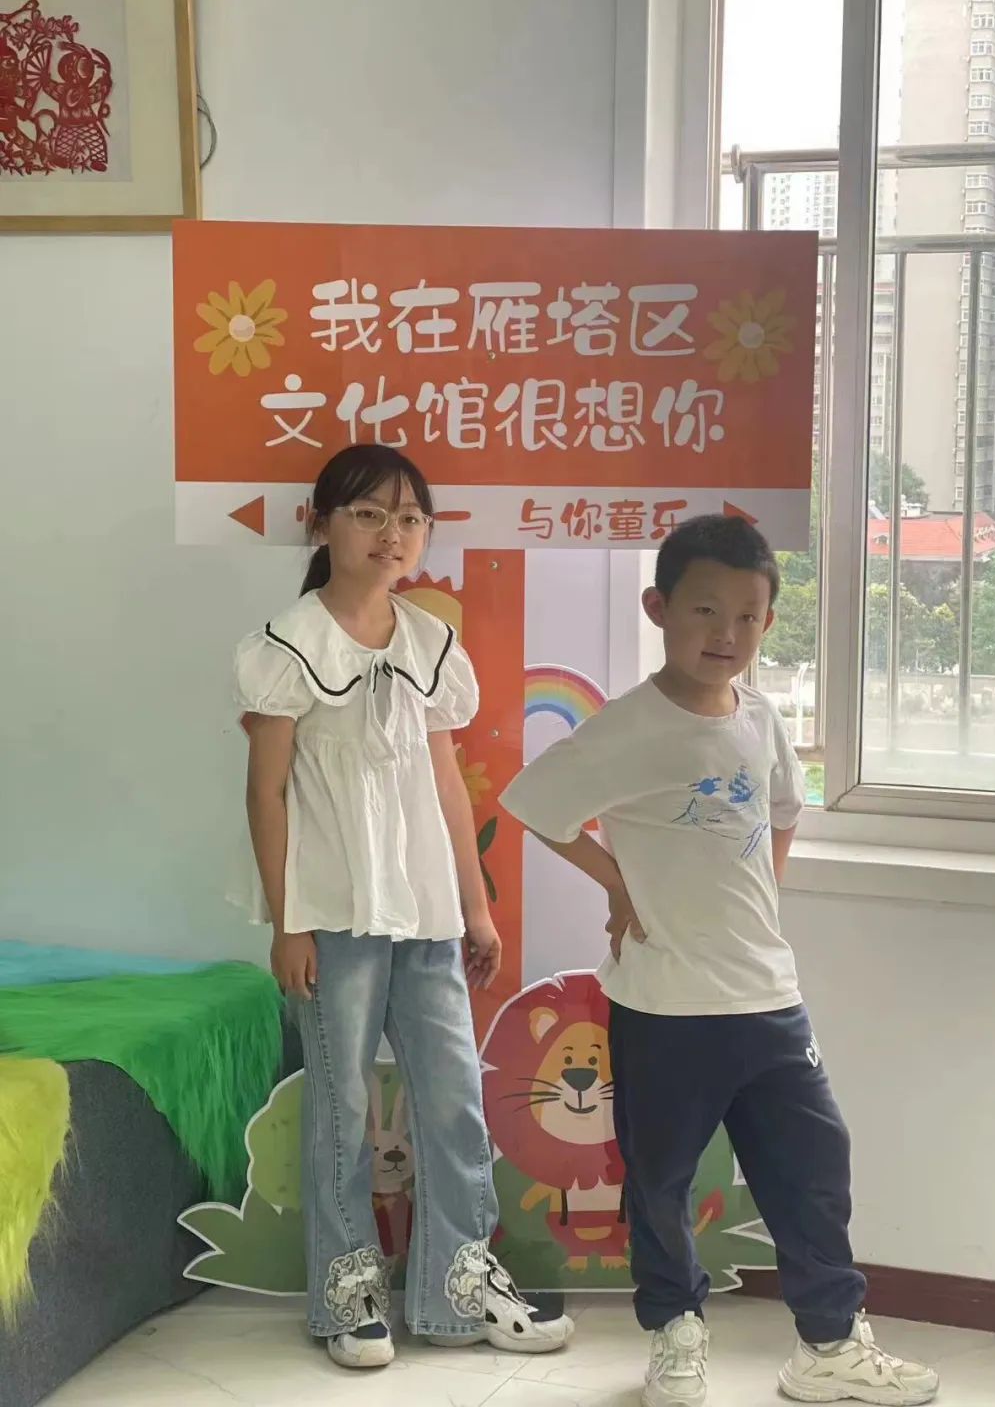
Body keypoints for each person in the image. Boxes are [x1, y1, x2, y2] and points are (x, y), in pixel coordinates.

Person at [500, 516, 939, 1407]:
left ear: (768, 623)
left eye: (747, 616)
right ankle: (675, 1333)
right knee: (660, 1182)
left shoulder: (762, 718)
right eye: (705, 610)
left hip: (767, 999)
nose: (726, 634)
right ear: (658, 607)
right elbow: (534, 802)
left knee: (814, 1167)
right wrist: (618, 884)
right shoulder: (627, 729)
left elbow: (783, 813)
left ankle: (828, 1346)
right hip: (664, 1006)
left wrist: (758, 908)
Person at [236, 443, 573, 1370]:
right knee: (342, 1105)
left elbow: (446, 786)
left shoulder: (430, 643)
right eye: (370, 514)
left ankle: (458, 1286)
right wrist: (287, 922)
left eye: (411, 518)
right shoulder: (287, 646)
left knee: (454, 1096)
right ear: (322, 524)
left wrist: (477, 907)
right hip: (334, 912)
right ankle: (347, 1292)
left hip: (424, 911)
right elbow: (266, 793)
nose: (394, 534)